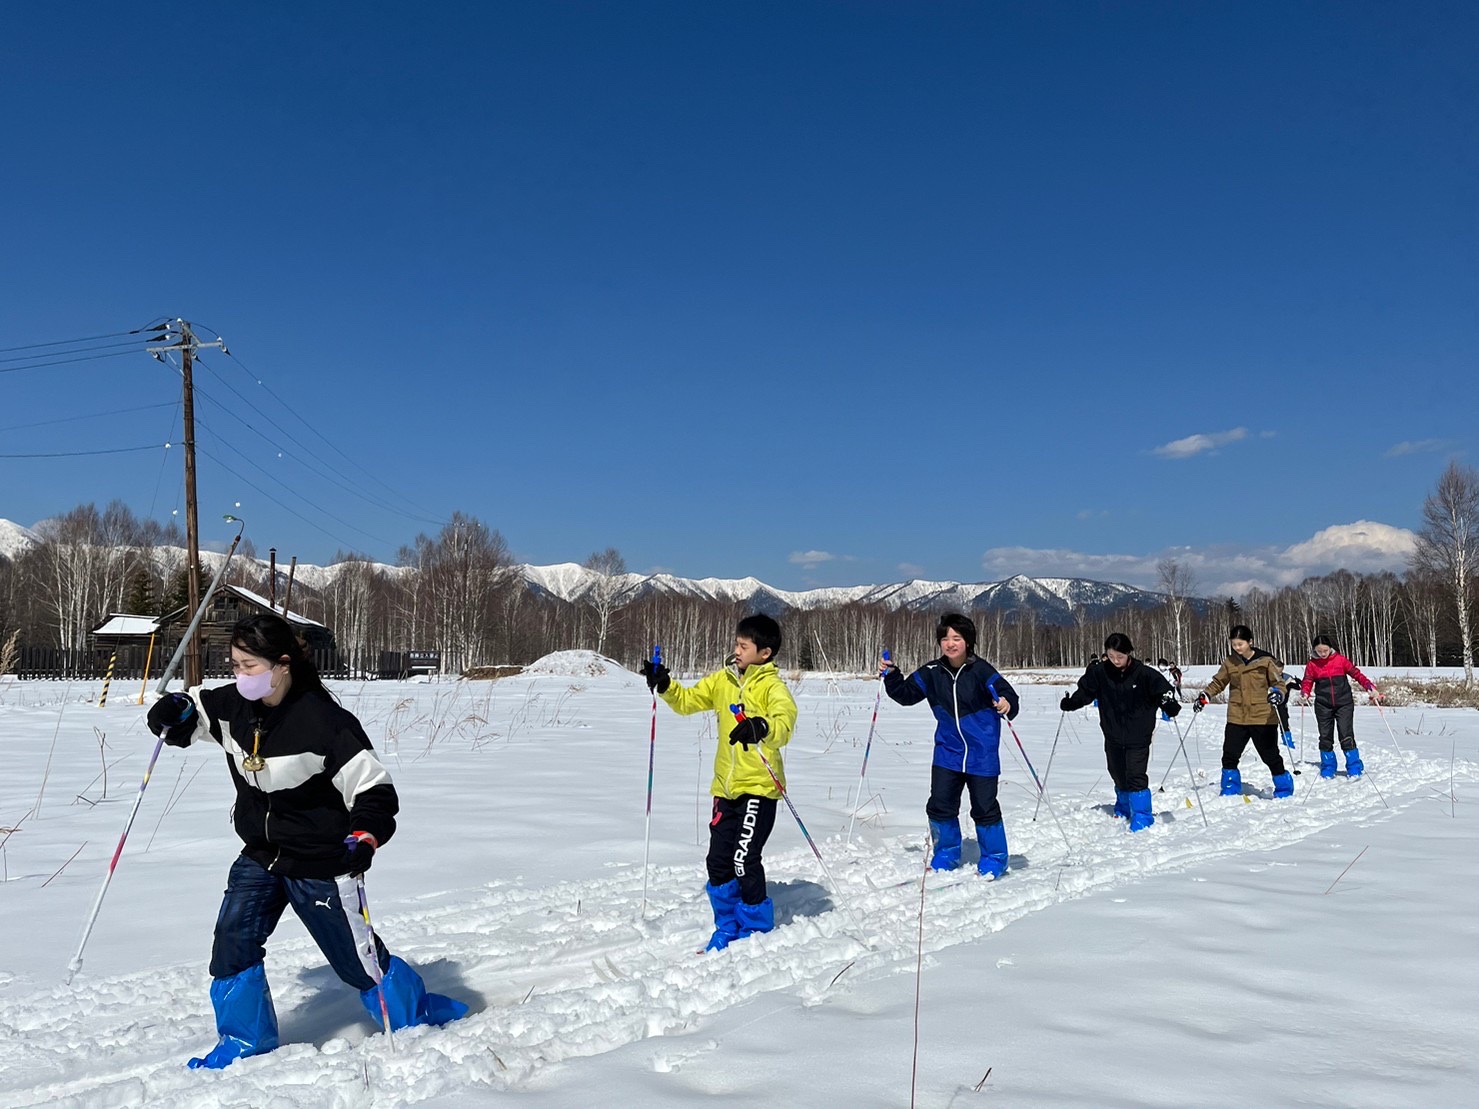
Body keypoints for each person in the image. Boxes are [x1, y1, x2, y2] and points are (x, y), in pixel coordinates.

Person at [145, 613, 467, 1069]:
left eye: (248, 666)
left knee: (354, 960)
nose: (239, 676)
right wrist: (172, 713)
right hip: (261, 855)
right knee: (232, 943)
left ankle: (414, 1014)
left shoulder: (325, 722)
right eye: (234, 665)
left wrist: (365, 835)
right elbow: (193, 711)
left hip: (322, 859)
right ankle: (244, 1043)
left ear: (281, 665)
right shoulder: (233, 705)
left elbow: (374, 790)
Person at [642, 614, 798, 952]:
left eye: (744, 646)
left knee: (744, 859)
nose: (737, 650)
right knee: (718, 861)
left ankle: (755, 927)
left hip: (759, 787)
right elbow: (688, 702)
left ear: (765, 653)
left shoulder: (772, 687)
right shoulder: (723, 680)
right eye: (736, 644)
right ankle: (727, 925)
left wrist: (762, 727)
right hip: (725, 789)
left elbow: (784, 723)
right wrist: (665, 684)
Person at [880, 613, 1020, 879]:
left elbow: (1008, 694)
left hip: (981, 754)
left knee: (984, 808)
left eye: (956, 638)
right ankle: (946, 854)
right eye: (945, 638)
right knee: (940, 805)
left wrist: (1006, 703)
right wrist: (892, 676)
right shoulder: (932, 672)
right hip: (947, 752)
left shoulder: (981, 671)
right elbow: (907, 695)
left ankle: (994, 858)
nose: (950, 643)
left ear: (968, 641)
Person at [1062, 634, 1178, 831]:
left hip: (1138, 734)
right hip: (1113, 733)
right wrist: (1072, 702)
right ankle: (1124, 807)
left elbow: (1163, 691)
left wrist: (1168, 703)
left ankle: (1142, 816)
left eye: (1120, 657)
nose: (1115, 661)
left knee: (1135, 774)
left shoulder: (1144, 674)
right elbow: (1086, 691)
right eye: (1111, 656)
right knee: (1116, 773)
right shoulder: (1100, 672)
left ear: (1129, 653)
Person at [1191, 624, 1294, 798]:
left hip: (1262, 717)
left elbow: (1279, 684)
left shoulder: (1265, 661)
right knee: (1230, 754)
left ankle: (1284, 788)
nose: (1237, 648)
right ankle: (1230, 787)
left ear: (1250, 642)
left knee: (1270, 755)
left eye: (1240, 644)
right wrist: (1205, 695)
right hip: (1237, 716)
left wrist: (1277, 694)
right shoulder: (1230, 662)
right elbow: (1218, 682)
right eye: (1234, 644)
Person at [1299, 634, 1377, 779]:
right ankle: (1328, 766)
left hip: (1344, 704)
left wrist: (1369, 686)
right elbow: (1308, 680)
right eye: (1319, 651)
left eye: (1325, 650)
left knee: (1346, 735)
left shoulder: (1340, 660)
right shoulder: (1312, 664)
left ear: (1330, 648)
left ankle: (1354, 766)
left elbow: (1356, 674)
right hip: (1323, 705)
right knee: (1325, 737)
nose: (1322, 654)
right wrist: (1305, 692)